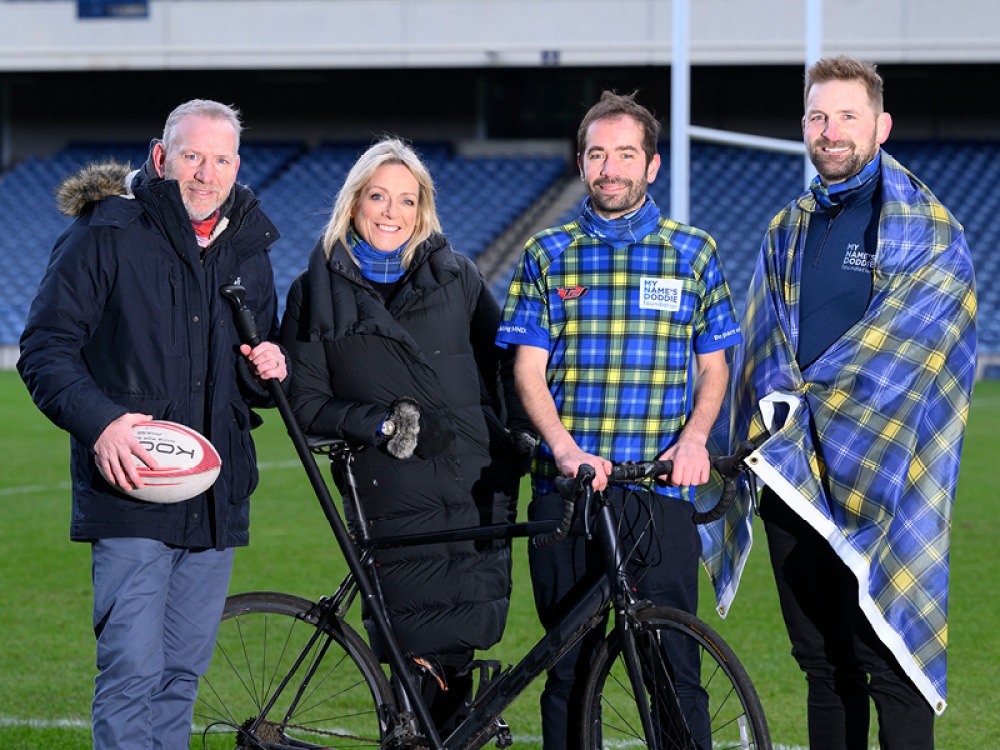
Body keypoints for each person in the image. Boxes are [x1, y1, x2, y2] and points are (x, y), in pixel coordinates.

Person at [17, 99, 287, 750]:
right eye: (192, 155)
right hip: (133, 488)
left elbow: (254, 366)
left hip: (216, 495)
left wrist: (269, 366)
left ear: (237, 166)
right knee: (132, 673)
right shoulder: (106, 231)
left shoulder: (248, 243)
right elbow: (46, 349)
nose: (206, 172)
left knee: (180, 678)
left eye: (221, 159)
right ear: (162, 157)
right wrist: (103, 423)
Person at [727, 56, 977, 749]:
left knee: (889, 663)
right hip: (795, 478)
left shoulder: (931, 234)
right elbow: (764, 346)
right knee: (821, 666)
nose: (830, 131)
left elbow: (911, 365)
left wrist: (814, 403)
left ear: (881, 125)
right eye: (818, 116)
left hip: (887, 477)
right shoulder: (787, 230)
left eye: (846, 116)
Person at [496, 90, 744, 750]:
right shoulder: (546, 252)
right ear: (582, 163)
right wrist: (564, 449)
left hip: (658, 493)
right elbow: (527, 369)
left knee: (672, 671)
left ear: (651, 166)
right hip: (569, 495)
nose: (611, 167)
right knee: (569, 672)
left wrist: (694, 439)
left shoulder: (694, 252)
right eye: (598, 154)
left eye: (625, 154)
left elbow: (715, 366)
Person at [279, 136, 532, 737]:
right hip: (391, 490)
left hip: (472, 483)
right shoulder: (314, 289)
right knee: (415, 655)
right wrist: (383, 424)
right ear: (354, 202)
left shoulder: (457, 275)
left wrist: (513, 435)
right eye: (378, 197)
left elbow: (507, 360)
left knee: (463, 649)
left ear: (423, 210)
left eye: (406, 200)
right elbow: (304, 402)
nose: (392, 213)